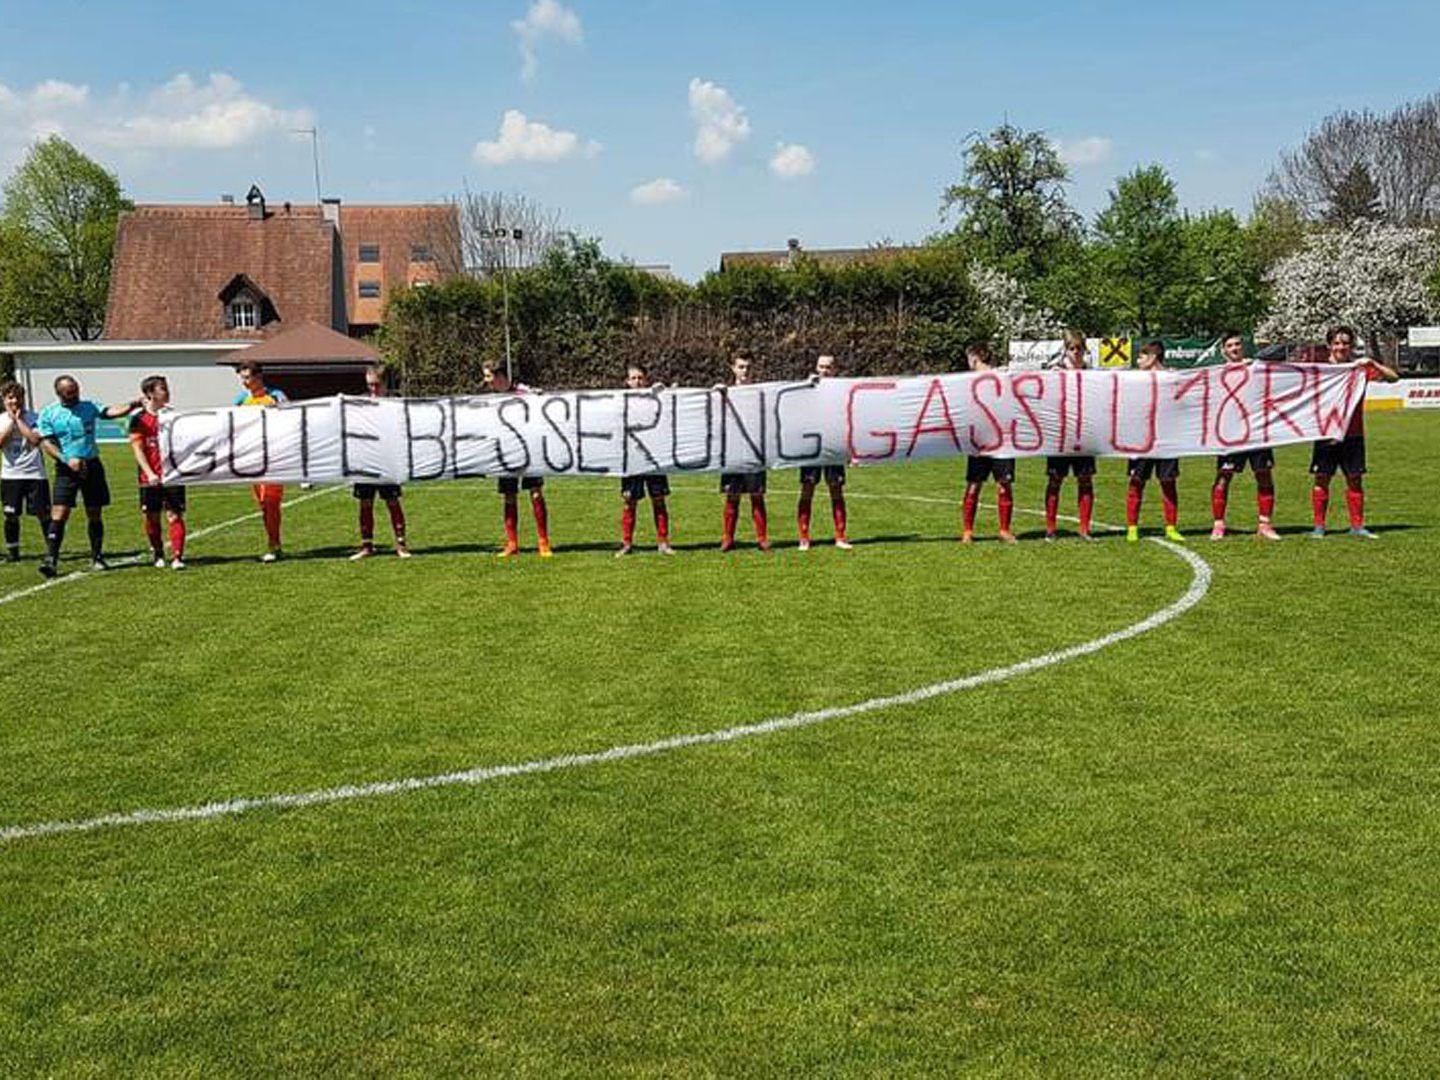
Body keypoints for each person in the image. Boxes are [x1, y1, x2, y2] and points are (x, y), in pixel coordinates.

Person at [34, 375, 140, 577]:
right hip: (66, 469)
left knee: (94, 512)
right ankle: (51, 558)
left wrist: (132, 404)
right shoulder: (49, 413)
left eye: (76, 391)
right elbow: (47, 443)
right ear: (59, 393)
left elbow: (109, 412)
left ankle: (97, 557)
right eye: (69, 393)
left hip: (91, 465)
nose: (74, 395)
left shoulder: (88, 406)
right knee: (60, 513)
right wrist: (67, 459)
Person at [1308, 325, 1399, 539]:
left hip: (1353, 434)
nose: (1341, 347)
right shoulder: (1320, 370)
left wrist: (1372, 362)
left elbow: (1394, 378)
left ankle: (1357, 526)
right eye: (1337, 343)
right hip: (1326, 434)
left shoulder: (1359, 369)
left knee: (1355, 479)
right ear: (1329, 345)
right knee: (1322, 479)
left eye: (1345, 343)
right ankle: (1319, 526)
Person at [1209, 331, 1279, 541]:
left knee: (1264, 475)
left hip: (1257, 432)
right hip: (1231, 434)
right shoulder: (1216, 373)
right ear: (1223, 351)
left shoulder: (1256, 368)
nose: (1235, 348)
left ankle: (1265, 524)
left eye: (1238, 344)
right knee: (1223, 478)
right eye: (1230, 345)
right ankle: (1219, 524)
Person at [483, 361, 551, 558]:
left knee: (535, 493)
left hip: (530, 451)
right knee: (509, 495)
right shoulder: (489, 399)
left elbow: (543, 405)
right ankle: (512, 543)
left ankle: (543, 542)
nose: (486, 382)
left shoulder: (523, 392)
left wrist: (540, 396)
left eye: (488, 376)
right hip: (506, 452)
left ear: (500, 375)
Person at [1124, 341, 1185, 544]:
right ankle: (1132, 527)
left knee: (1168, 482)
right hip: (1140, 438)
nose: (1137, 360)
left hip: (1166, 438)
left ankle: (1171, 527)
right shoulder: (1133, 380)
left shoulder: (1172, 378)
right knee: (1136, 482)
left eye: (1141, 356)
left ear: (1153, 357)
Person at [127, 375, 188, 570]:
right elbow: (137, 449)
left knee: (174, 515)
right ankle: (158, 553)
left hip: (172, 474)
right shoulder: (138, 419)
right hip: (149, 477)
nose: (167, 392)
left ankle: (178, 557)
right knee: (151, 517)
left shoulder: (173, 416)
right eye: (162, 388)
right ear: (150, 394)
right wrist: (149, 472)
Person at [351, 366, 411, 560]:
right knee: (365, 503)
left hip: (387, 461)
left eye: (376, 385)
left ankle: (401, 544)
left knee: (393, 502)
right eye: (370, 385)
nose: (373, 390)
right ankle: (366, 545)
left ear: (385, 384)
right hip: (366, 461)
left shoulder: (395, 404)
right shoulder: (359, 403)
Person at [960, 342, 1016, 544]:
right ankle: (967, 531)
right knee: (974, 485)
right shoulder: (966, 382)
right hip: (978, 442)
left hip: (1002, 440)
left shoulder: (1002, 378)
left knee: (1004, 484)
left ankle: (1004, 530)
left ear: (974, 358)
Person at [616, 363, 674, 557]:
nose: (637, 382)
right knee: (630, 502)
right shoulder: (619, 402)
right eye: (633, 378)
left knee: (658, 500)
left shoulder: (656, 399)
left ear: (646, 380)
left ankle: (663, 542)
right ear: (627, 382)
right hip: (632, 459)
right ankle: (626, 543)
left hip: (654, 458)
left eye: (640, 378)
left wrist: (667, 393)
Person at [1043, 330, 1096, 541]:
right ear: (1065, 350)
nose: (1076, 352)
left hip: (1084, 434)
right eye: (1072, 348)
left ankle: (1084, 528)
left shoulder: (1092, 374)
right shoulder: (1054, 372)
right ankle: (1050, 528)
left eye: (1079, 348)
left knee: (1085, 479)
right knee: (1056, 479)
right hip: (1061, 435)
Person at [796, 353, 851, 551]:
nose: (824, 371)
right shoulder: (806, 389)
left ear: (834, 369)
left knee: (836, 488)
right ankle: (804, 537)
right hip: (811, 449)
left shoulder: (841, 391)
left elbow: (849, 419)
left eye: (828, 367)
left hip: (833, 447)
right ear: (816, 367)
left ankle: (841, 536)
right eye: (821, 367)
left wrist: (849, 449)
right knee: (807, 489)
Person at [234, 361, 288, 562]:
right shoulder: (240, 400)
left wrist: (279, 409)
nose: (245, 382)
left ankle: (274, 545)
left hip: (274, 456)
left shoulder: (276, 396)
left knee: (270, 502)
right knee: (262, 503)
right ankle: (274, 543)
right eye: (242, 378)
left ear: (258, 377)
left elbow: (291, 417)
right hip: (252, 457)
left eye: (248, 378)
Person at [718, 353, 770, 552]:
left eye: (748, 367)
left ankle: (762, 538)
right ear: (733, 369)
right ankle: (728, 538)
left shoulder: (761, 393)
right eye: (741, 367)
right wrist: (716, 395)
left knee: (757, 496)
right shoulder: (724, 392)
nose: (744, 371)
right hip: (732, 452)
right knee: (732, 496)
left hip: (754, 452)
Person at [0, 382, 51, 563]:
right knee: (11, 514)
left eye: (18, 397)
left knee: (43, 514)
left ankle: (51, 550)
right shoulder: (1, 420)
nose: (15, 401)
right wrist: (12, 421)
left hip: (35, 474)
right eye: (10, 397)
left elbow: (35, 439)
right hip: (10, 475)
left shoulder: (35, 417)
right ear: (4, 400)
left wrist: (19, 420)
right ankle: (13, 553)